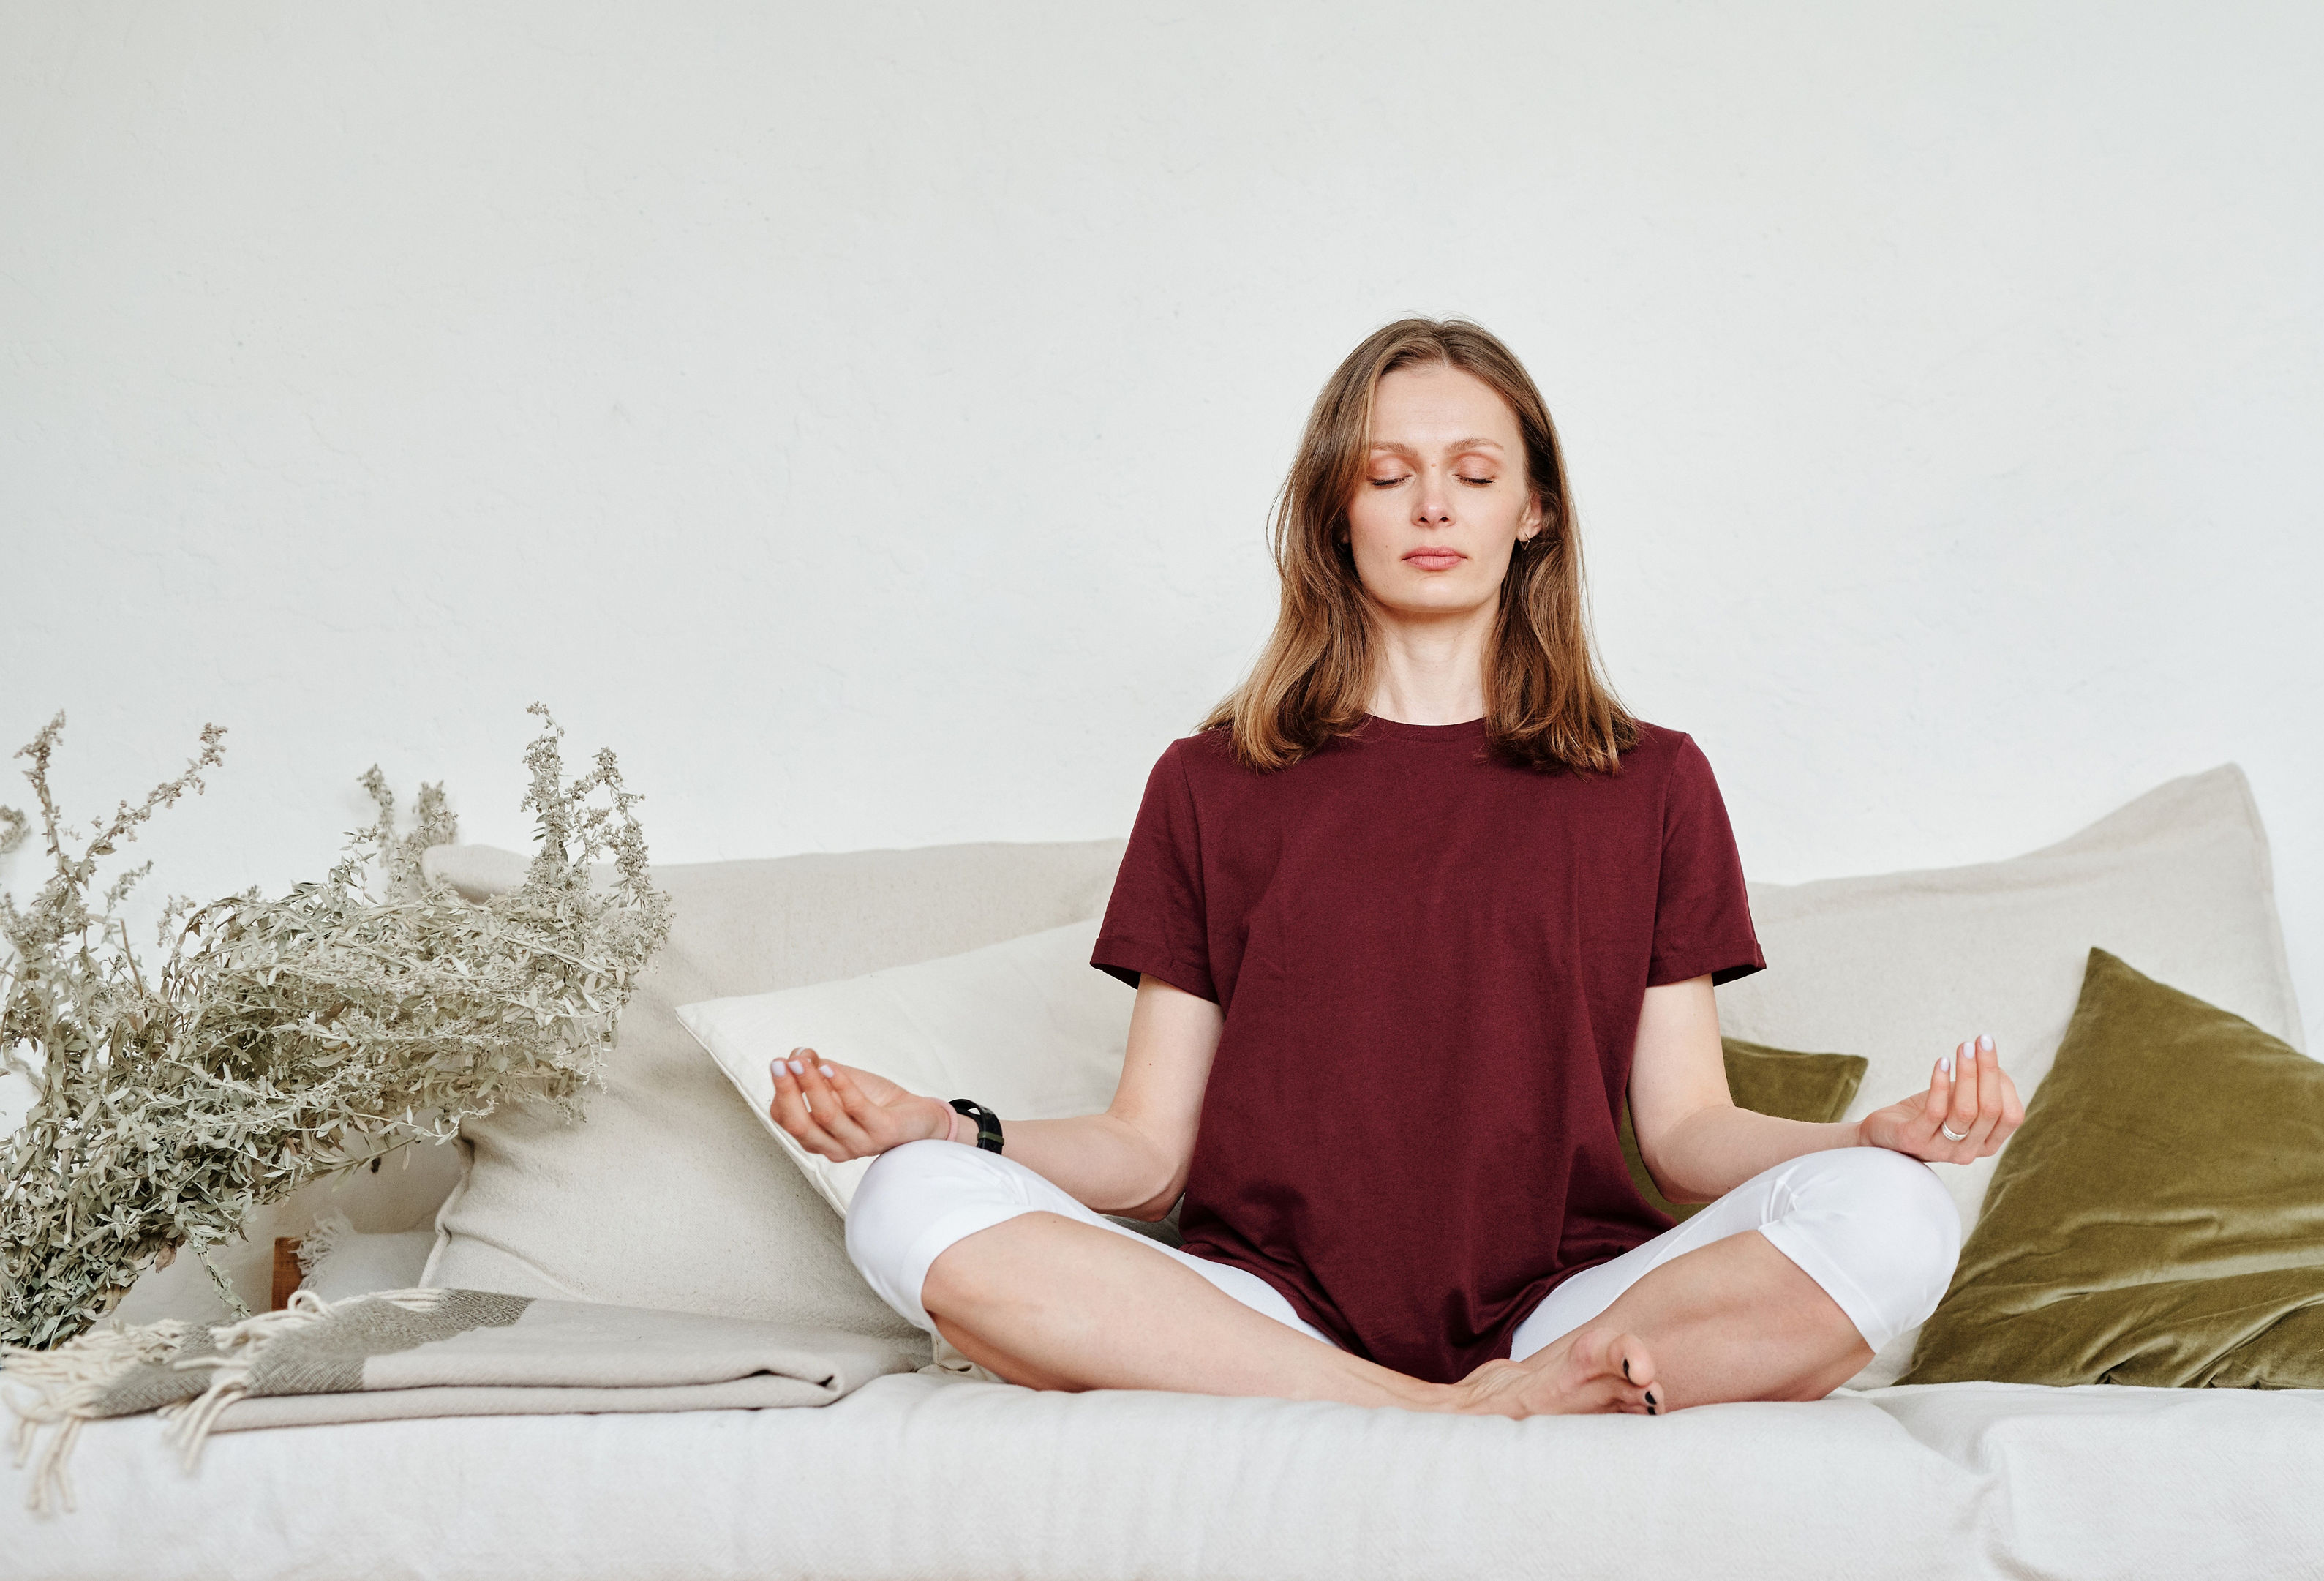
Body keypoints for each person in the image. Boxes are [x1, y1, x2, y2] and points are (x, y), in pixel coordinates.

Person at [767, 318, 2024, 1418]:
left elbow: (1686, 1134)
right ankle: (1438, 1410)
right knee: (905, 1199)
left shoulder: (1652, 782)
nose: (1433, 506)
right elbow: (1149, 1154)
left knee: (1898, 1215)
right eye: (1390, 474)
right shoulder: (1210, 782)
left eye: (1474, 474)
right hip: (1267, 1310)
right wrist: (945, 1124)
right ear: (1337, 510)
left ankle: (1499, 1385)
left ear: (1532, 513)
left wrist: (1873, 1138)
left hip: (1564, 1302)